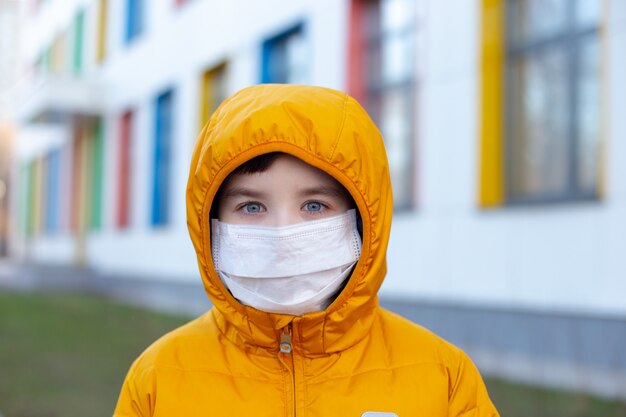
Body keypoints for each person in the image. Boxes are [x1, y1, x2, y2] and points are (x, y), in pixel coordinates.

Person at [113, 84, 499, 416]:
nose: (283, 235)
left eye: (314, 206)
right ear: (209, 222)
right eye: (252, 207)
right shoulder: (159, 379)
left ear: (365, 220)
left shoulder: (442, 377)